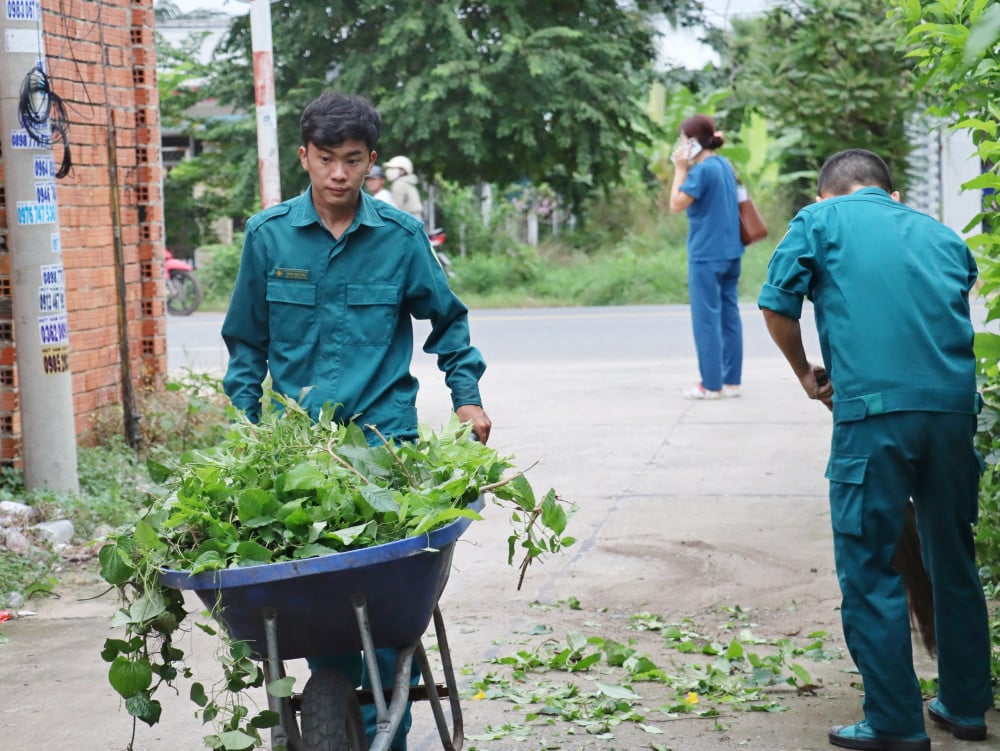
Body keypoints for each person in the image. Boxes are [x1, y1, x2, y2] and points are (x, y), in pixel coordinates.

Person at [221, 91, 492, 751]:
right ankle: (336, 712)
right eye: (324, 159)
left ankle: (369, 727)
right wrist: (244, 428)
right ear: (305, 157)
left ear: (371, 161)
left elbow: (447, 320)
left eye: (351, 160)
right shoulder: (268, 236)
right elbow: (246, 346)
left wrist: (466, 394)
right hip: (298, 457)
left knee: (380, 622)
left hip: (383, 450)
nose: (337, 174)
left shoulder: (399, 239)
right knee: (316, 609)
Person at [758, 148, 992, 751]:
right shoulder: (942, 236)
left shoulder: (818, 221)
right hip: (951, 414)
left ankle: (893, 721)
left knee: (869, 565)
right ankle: (966, 708)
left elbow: (776, 304)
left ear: (825, 194)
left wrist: (806, 374)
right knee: (954, 558)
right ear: (891, 195)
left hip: (874, 417)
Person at [669, 113, 745, 400]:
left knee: (706, 319)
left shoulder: (701, 171)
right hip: (731, 252)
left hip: (706, 255)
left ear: (693, 142)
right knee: (729, 315)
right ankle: (731, 381)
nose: (680, 145)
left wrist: (680, 168)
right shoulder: (724, 165)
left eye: (682, 139)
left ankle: (711, 385)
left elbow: (676, 203)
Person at [384, 154, 424, 220]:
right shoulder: (408, 182)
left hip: (408, 219)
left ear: (403, 171)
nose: (389, 171)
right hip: (416, 218)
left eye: (393, 168)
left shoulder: (398, 184)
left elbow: (396, 208)